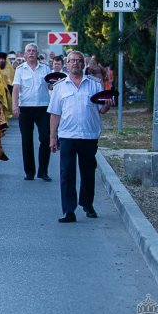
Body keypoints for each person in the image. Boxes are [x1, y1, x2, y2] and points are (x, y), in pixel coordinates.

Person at [49, 50, 112, 223]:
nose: (75, 63)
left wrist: (107, 106)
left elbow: (101, 109)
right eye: (72, 61)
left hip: (88, 135)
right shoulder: (60, 86)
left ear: (83, 64)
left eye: (78, 61)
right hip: (67, 136)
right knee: (67, 174)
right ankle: (68, 210)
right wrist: (52, 137)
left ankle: (87, 204)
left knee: (88, 172)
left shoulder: (94, 84)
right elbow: (55, 114)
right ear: (66, 64)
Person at [12, 43, 53, 182]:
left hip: (43, 108)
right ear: (24, 54)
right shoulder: (20, 69)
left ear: (37, 53)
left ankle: (43, 171)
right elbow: (16, 89)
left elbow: (51, 85)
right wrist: (15, 106)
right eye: (28, 51)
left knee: (46, 138)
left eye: (33, 51)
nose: (31, 53)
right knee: (27, 140)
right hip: (25, 108)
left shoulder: (46, 68)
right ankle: (29, 172)